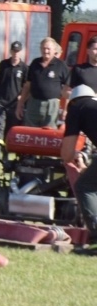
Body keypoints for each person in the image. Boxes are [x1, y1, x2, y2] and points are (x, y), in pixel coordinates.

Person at [61, 84, 97, 243]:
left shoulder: (76, 109)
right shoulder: (93, 107)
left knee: (85, 187)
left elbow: (67, 154)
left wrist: (74, 156)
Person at [16, 37, 70, 128]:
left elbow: (67, 88)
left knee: (49, 134)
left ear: (54, 50)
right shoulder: (35, 63)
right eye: (43, 48)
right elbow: (27, 86)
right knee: (30, 131)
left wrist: (65, 109)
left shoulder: (61, 65)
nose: (46, 51)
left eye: (48, 49)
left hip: (52, 105)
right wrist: (20, 104)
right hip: (33, 103)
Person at [0, 41, 28, 161]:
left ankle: (6, 153)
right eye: (14, 51)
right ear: (10, 51)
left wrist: (21, 98)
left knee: (10, 128)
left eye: (18, 51)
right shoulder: (3, 65)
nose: (15, 53)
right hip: (0, 100)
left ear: (21, 52)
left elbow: (26, 86)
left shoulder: (24, 68)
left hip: (14, 103)